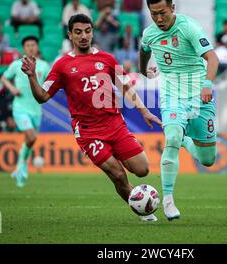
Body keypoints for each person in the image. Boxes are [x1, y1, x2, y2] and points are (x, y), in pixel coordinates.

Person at [20, 14, 162, 221]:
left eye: (87, 31)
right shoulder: (62, 65)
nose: (83, 36)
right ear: (70, 35)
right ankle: (142, 209)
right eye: (78, 32)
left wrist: (144, 111)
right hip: (88, 131)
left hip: (115, 125)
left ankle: (137, 199)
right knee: (118, 175)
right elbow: (42, 96)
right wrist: (32, 77)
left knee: (142, 170)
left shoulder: (107, 59)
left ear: (93, 32)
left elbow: (125, 87)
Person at [139, 0, 219, 220]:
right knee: (171, 137)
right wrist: (144, 69)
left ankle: (185, 139)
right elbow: (143, 52)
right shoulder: (149, 34)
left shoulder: (189, 28)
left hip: (200, 96)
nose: (159, 19)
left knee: (208, 160)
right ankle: (168, 200)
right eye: (154, 14)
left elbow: (212, 58)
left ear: (173, 8)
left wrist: (207, 85)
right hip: (172, 95)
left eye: (162, 12)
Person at [0, 36, 50, 187]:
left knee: (31, 140)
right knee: (30, 136)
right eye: (27, 45)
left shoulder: (43, 66)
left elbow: (50, 83)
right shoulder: (16, 65)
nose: (31, 48)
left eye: (33, 45)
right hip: (20, 108)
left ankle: (20, 167)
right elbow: (3, 78)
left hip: (36, 110)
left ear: (37, 47)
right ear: (23, 48)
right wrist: (12, 89)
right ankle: (22, 165)